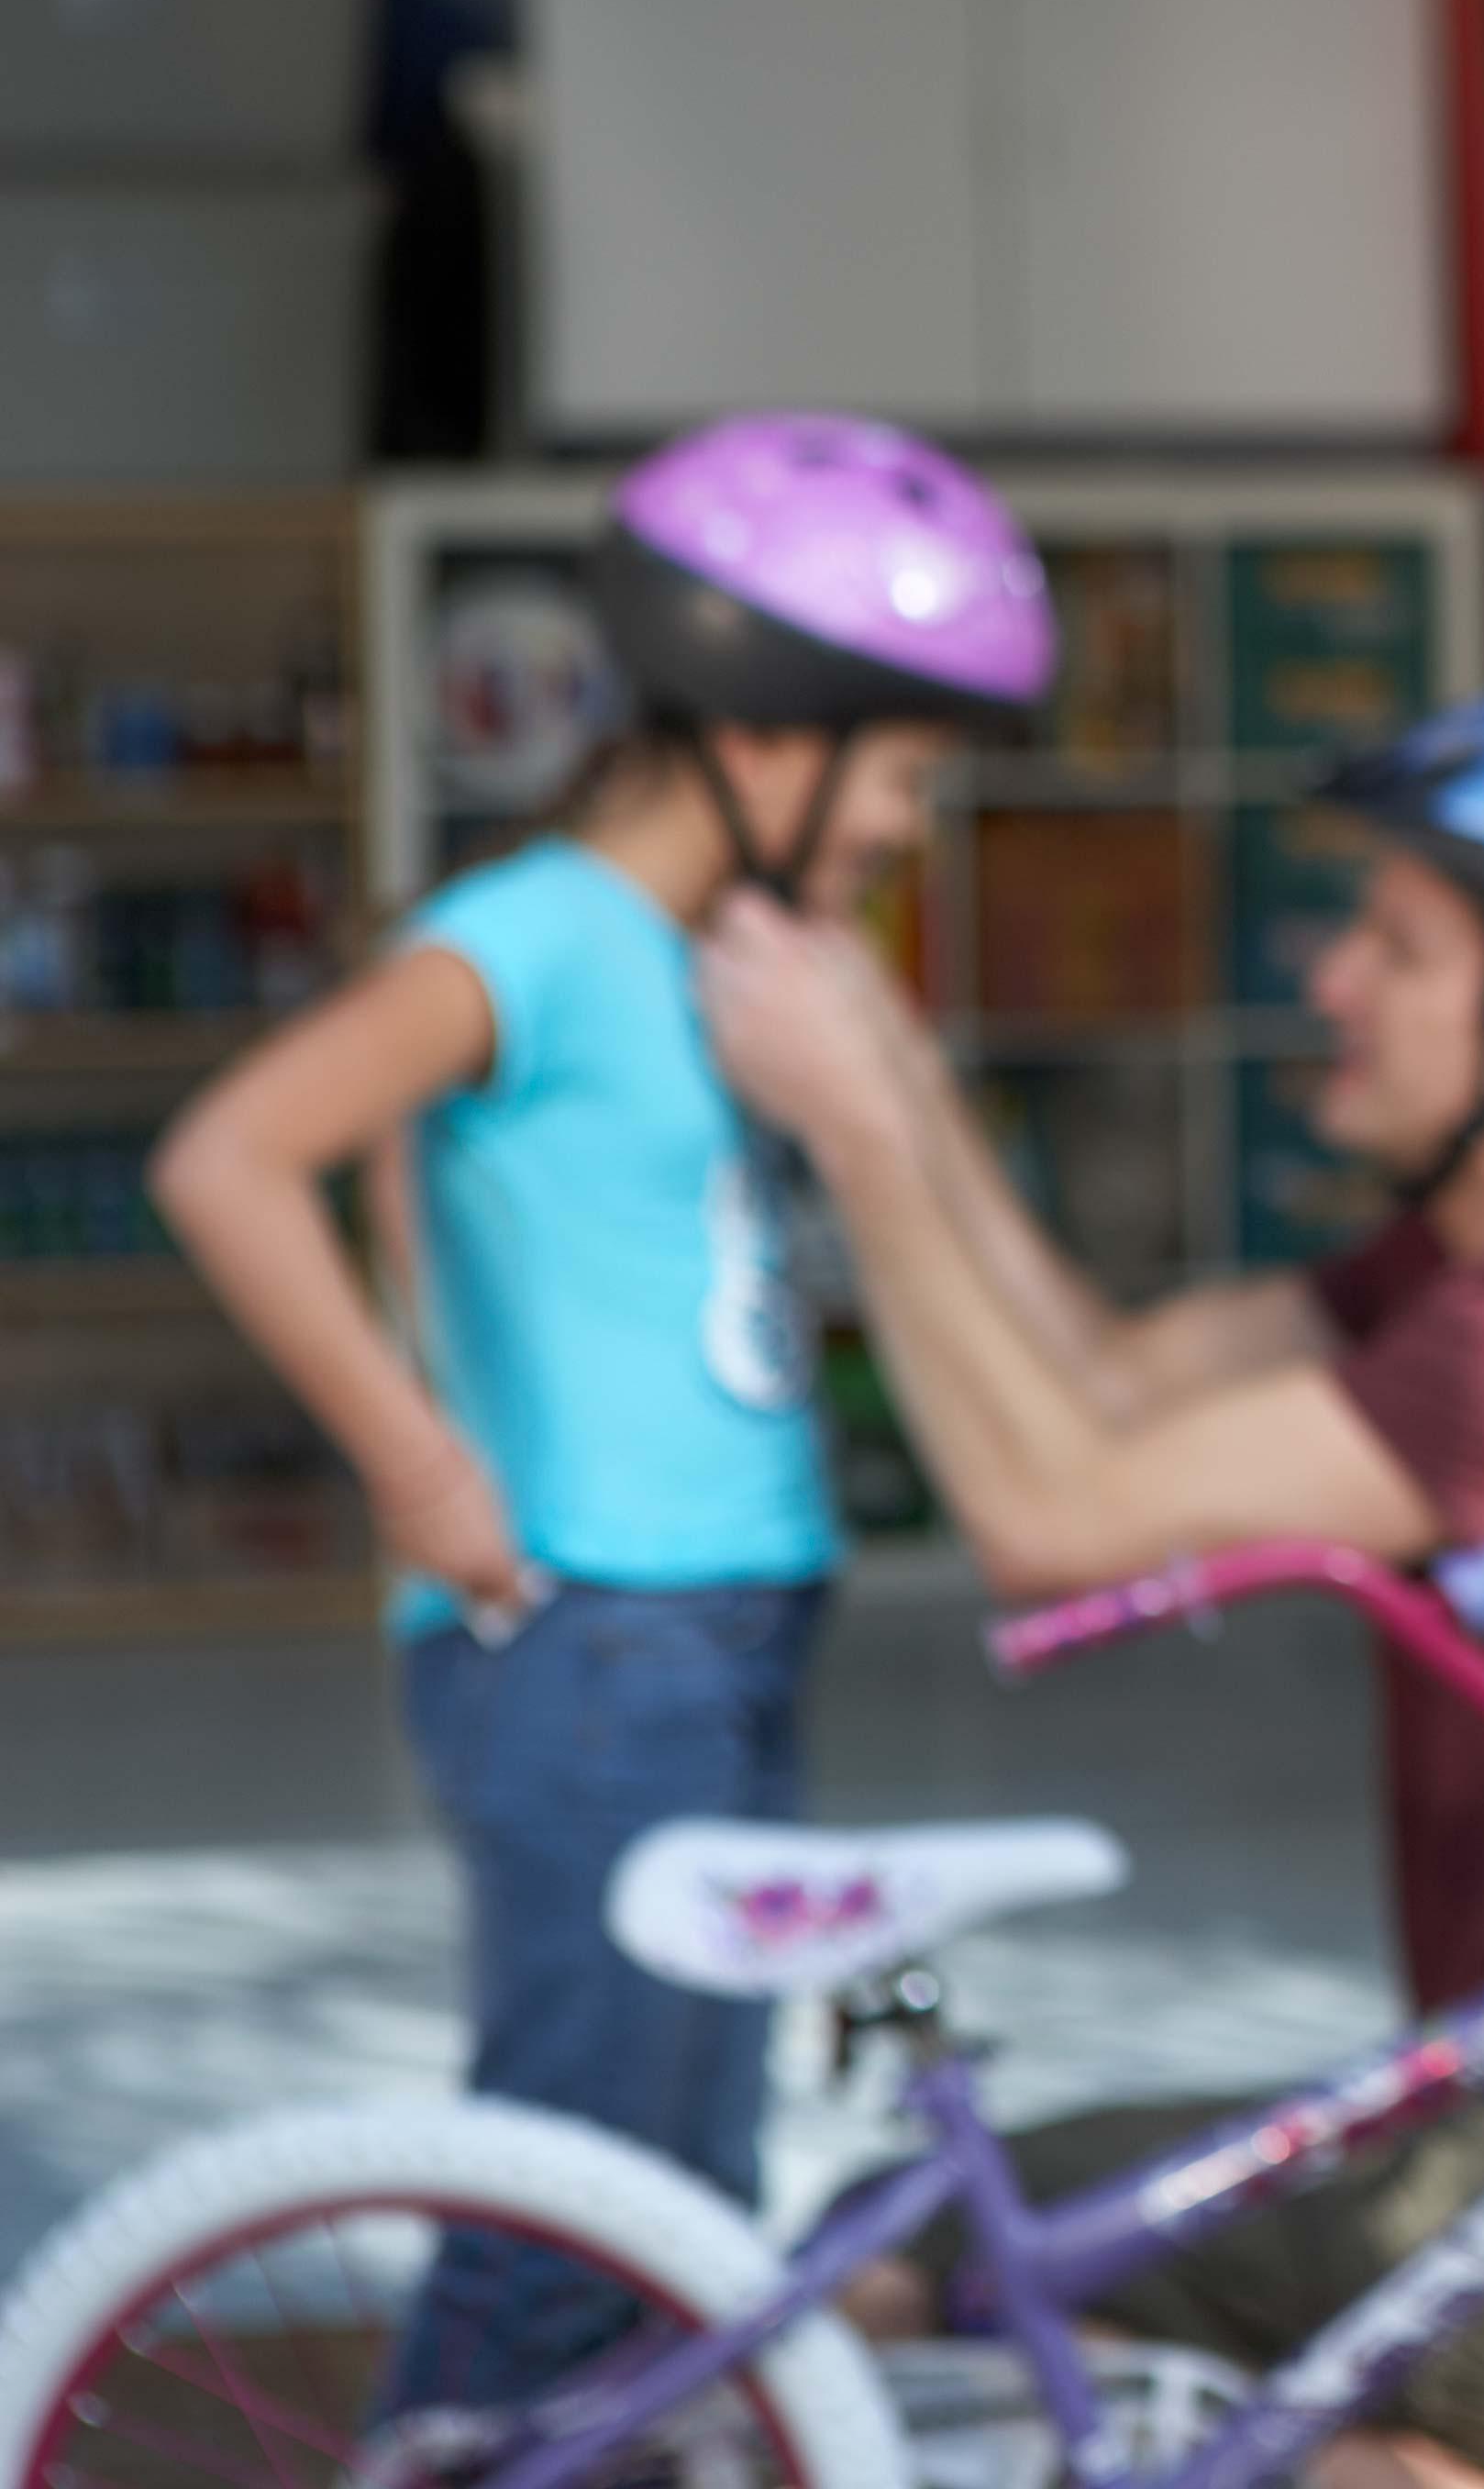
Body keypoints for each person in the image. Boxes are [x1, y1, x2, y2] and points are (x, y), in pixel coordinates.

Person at [695, 684, 1484, 2489]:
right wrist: (904, 1080)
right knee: (1088, 2258)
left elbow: (1052, 1512)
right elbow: (1108, 1378)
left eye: (1394, 944)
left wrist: (850, 1135)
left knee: (924, 2247)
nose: (1329, 979)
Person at [151, 413, 1058, 2402]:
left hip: (726, 1615)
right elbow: (234, 1153)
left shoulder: (706, 951)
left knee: (688, 2200)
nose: (908, 820)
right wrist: (418, 1459)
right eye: (897, 770)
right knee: (573, 2193)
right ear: (758, 737)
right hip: (591, 1635)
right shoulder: (533, 933)